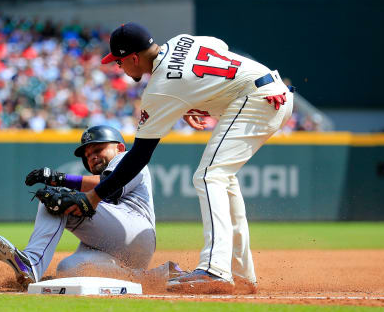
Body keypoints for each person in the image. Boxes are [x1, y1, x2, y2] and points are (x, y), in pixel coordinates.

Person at [63, 23, 294, 294]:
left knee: (209, 176)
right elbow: (219, 49)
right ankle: (242, 274)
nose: (119, 68)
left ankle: (214, 269)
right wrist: (191, 97)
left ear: (134, 58)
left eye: (120, 61)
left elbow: (138, 157)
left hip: (257, 99)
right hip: (269, 89)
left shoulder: (160, 89)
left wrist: (95, 196)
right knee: (222, 179)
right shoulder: (182, 40)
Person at [0, 125, 183, 287]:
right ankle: (160, 275)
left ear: (120, 148)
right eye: (88, 154)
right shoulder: (105, 172)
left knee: (55, 199)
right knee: (69, 269)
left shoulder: (128, 159)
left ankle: (32, 262)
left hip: (134, 229)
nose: (92, 156)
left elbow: (111, 187)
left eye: (98, 150)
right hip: (117, 248)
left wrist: (61, 179)